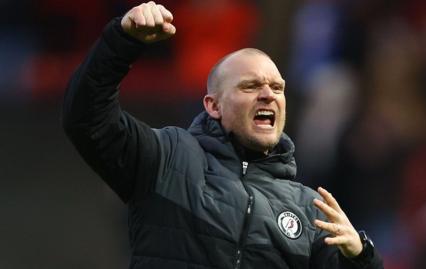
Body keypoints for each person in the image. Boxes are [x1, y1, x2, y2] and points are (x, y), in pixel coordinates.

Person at [62, 2, 384, 268]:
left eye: (277, 88)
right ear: (213, 105)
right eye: (250, 86)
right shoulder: (166, 157)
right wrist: (120, 42)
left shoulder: (309, 209)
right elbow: (86, 118)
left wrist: (361, 255)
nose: (268, 95)